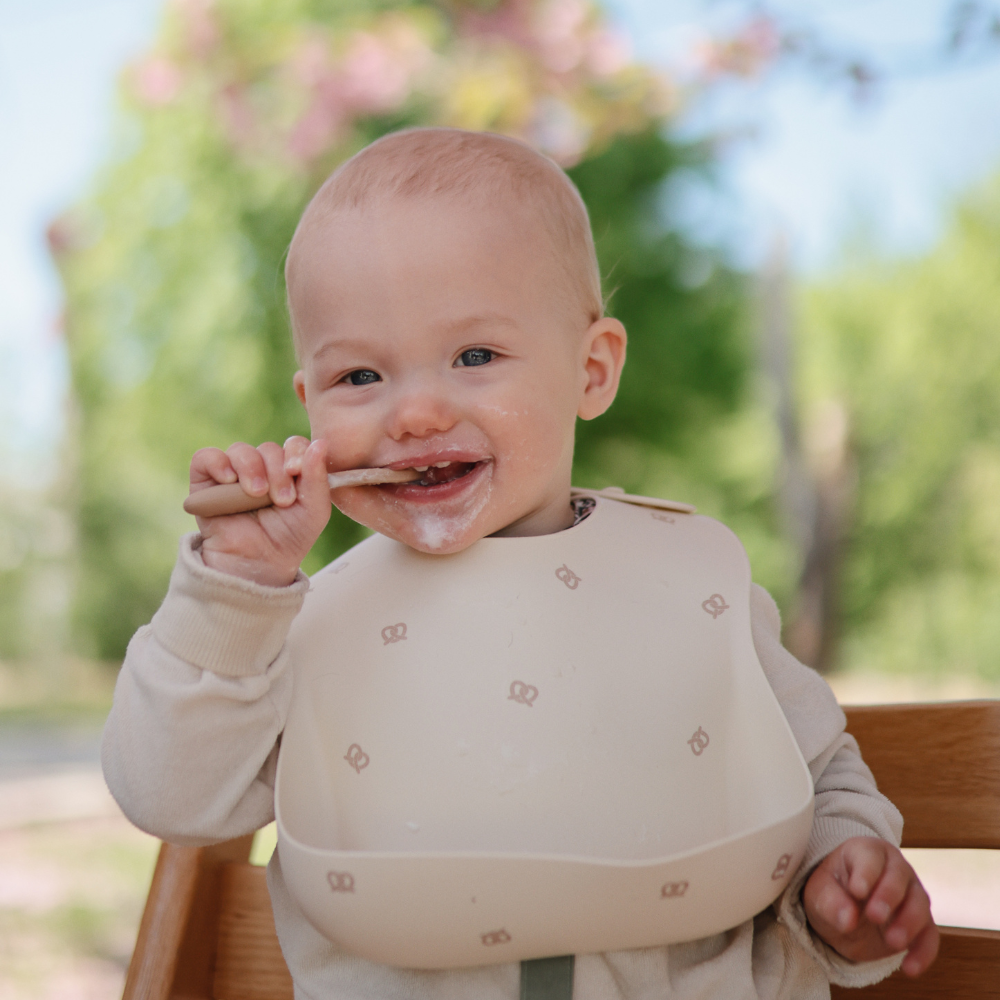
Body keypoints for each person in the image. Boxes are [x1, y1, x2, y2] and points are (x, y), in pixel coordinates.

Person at [102, 127, 938, 999]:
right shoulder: (297, 627)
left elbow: (814, 774)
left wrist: (841, 873)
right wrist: (233, 594)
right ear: (308, 405)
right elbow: (168, 795)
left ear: (591, 369)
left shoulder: (686, 582)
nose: (416, 413)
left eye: (475, 357)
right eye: (360, 377)